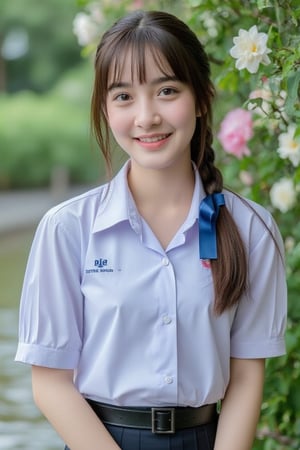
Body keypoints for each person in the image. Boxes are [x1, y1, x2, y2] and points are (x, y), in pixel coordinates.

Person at [15, 9, 287, 450]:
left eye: (166, 91)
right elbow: (50, 384)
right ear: (104, 108)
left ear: (201, 98)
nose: (146, 117)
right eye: (123, 96)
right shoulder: (68, 229)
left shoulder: (251, 228)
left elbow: (246, 378)